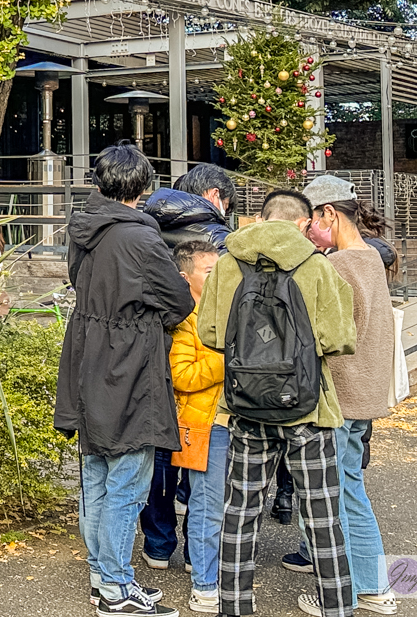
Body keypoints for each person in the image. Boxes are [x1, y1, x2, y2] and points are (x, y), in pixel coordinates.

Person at [197, 190, 358, 617]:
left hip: (246, 407)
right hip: (309, 407)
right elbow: (340, 338)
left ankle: (234, 607)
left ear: (261, 219)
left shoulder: (228, 263)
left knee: (241, 511)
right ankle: (338, 606)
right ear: (304, 223)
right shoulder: (317, 265)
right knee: (322, 514)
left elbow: (210, 334)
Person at [54, 142, 193, 617]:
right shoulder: (141, 237)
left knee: (95, 471)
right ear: (143, 186)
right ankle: (115, 586)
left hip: (86, 349)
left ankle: (102, 575)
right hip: (129, 357)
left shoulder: (83, 228)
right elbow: (178, 300)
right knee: (129, 475)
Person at [290, 177, 400, 617]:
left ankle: (342, 593)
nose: (309, 234)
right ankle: (374, 586)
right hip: (364, 396)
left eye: (311, 224)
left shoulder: (337, 266)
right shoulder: (371, 258)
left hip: (337, 398)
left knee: (328, 499)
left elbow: (324, 336)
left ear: (329, 215)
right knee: (350, 490)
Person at [139, 164, 236, 573]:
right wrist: (228, 359)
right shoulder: (220, 243)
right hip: (202, 403)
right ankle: (201, 565)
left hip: (151, 379)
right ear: (215, 198)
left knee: (159, 472)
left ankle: (159, 545)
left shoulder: (151, 234)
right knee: (203, 489)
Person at [169, 240, 227, 614]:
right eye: (209, 270)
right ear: (185, 276)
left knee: (234, 507)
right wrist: (229, 359)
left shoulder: (231, 310)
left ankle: (225, 575)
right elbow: (182, 376)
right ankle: (205, 585)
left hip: (242, 421)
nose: (219, 275)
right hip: (206, 426)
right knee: (206, 506)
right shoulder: (185, 320)